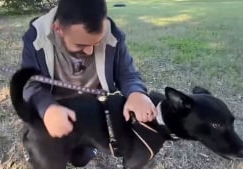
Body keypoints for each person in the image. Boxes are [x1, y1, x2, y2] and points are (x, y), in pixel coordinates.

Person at [20, 0, 157, 168]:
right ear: (58, 29)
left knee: (81, 159)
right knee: (49, 155)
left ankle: (83, 147)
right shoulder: (36, 38)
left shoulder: (112, 34)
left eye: (96, 43)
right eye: (81, 44)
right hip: (57, 109)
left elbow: (127, 74)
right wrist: (47, 108)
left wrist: (137, 93)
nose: (90, 51)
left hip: (92, 112)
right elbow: (30, 84)